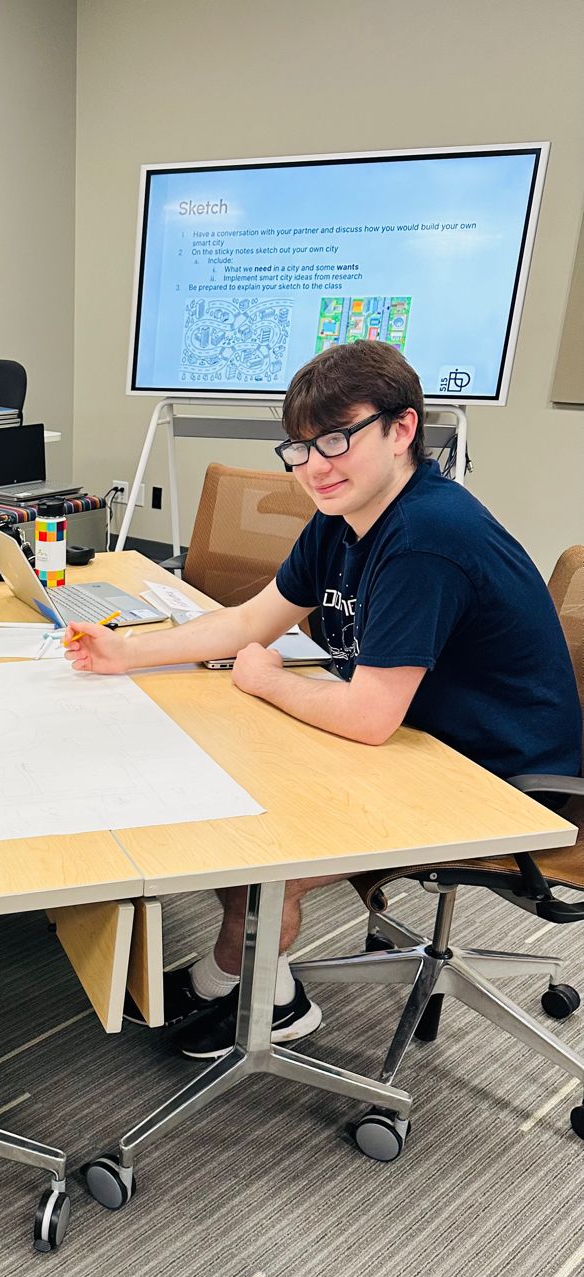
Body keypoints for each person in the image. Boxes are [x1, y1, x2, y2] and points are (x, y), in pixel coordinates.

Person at [66, 339, 581, 1058]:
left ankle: (271, 1004)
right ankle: (229, 978)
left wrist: (268, 679)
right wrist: (126, 653)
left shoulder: (426, 537)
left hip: (496, 776)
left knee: (251, 844)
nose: (312, 465)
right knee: (229, 788)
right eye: (299, 447)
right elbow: (252, 620)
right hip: (420, 739)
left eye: (336, 439)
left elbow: (367, 718)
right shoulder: (343, 519)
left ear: (401, 430)